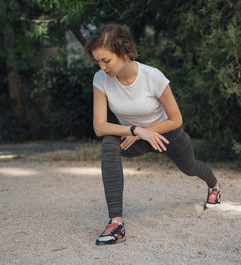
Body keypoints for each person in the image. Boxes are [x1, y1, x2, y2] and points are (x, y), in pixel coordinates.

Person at [85, 24, 221, 245]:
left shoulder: (153, 77)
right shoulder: (100, 80)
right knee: (109, 143)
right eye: (97, 61)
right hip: (134, 138)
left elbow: (176, 119)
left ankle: (214, 185)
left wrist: (143, 133)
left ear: (124, 52)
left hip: (167, 135)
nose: (101, 67)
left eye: (106, 61)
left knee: (190, 168)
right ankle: (116, 222)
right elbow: (100, 127)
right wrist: (136, 131)